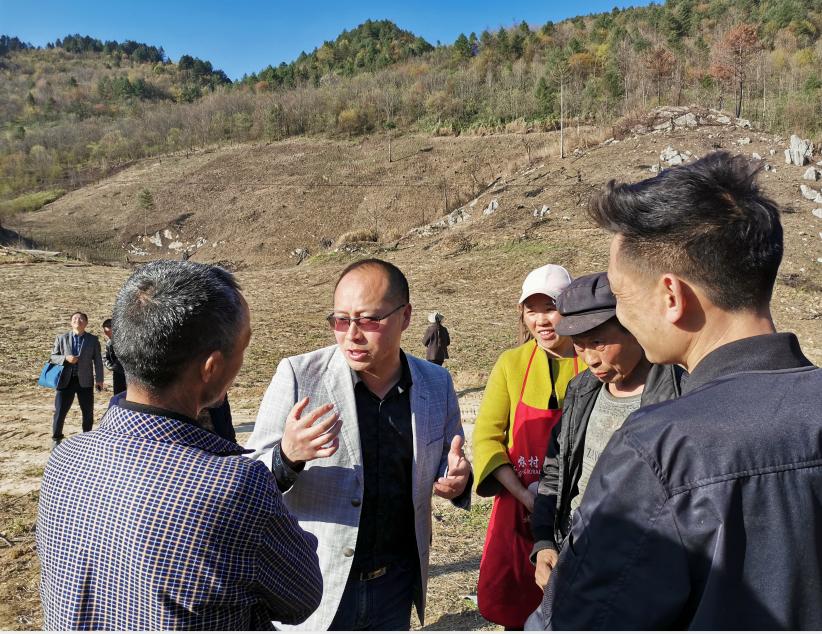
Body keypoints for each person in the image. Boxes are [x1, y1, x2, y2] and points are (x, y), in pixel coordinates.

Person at [542, 152, 822, 629]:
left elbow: (577, 620)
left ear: (671, 296)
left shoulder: (658, 450)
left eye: (621, 296)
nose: (621, 314)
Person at [37, 260, 322, 630]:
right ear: (211, 368)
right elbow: (301, 598)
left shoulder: (65, 458)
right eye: (243, 346)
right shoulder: (235, 486)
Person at [249, 258, 472, 631]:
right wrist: (287, 457)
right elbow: (250, 481)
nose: (351, 335)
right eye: (340, 320)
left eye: (368, 320)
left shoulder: (436, 383)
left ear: (405, 316)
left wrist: (456, 481)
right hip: (317, 585)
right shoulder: (298, 376)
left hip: (395, 585)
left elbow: (447, 463)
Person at [529, 272, 684, 595]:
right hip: (574, 553)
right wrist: (544, 542)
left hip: (640, 569)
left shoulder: (678, 395)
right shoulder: (581, 390)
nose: (590, 359)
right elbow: (555, 473)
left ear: (634, 328)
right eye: (579, 345)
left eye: (598, 342)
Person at [472, 264, 583, 629]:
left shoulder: (592, 359)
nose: (541, 320)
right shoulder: (511, 363)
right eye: (531, 310)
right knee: (518, 607)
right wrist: (524, 495)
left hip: (577, 510)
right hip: (517, 508)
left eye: (550, 308)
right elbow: (487, 437)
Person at [49, 311, 104, 447]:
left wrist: (100, 380)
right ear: (70, 322)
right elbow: (53, 357)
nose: (78, 321)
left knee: (88, 412)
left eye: (81, 319)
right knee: (60, 411)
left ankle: (87, 437)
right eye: (75, 318)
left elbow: (98, 361)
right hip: (65, 381)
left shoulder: (93, 340)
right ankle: (56, 438)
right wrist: (65, 358)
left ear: (86, 323)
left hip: (85, 381)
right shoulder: (61, 338)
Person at [102, 317, 126, 395]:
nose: (107, 335)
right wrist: (112, 367)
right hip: (118, 374)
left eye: (108, 332)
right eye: (106, 332)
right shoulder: (109, 343)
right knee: (119, 396)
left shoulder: (128, 340)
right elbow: (105, 357)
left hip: (131, 375)